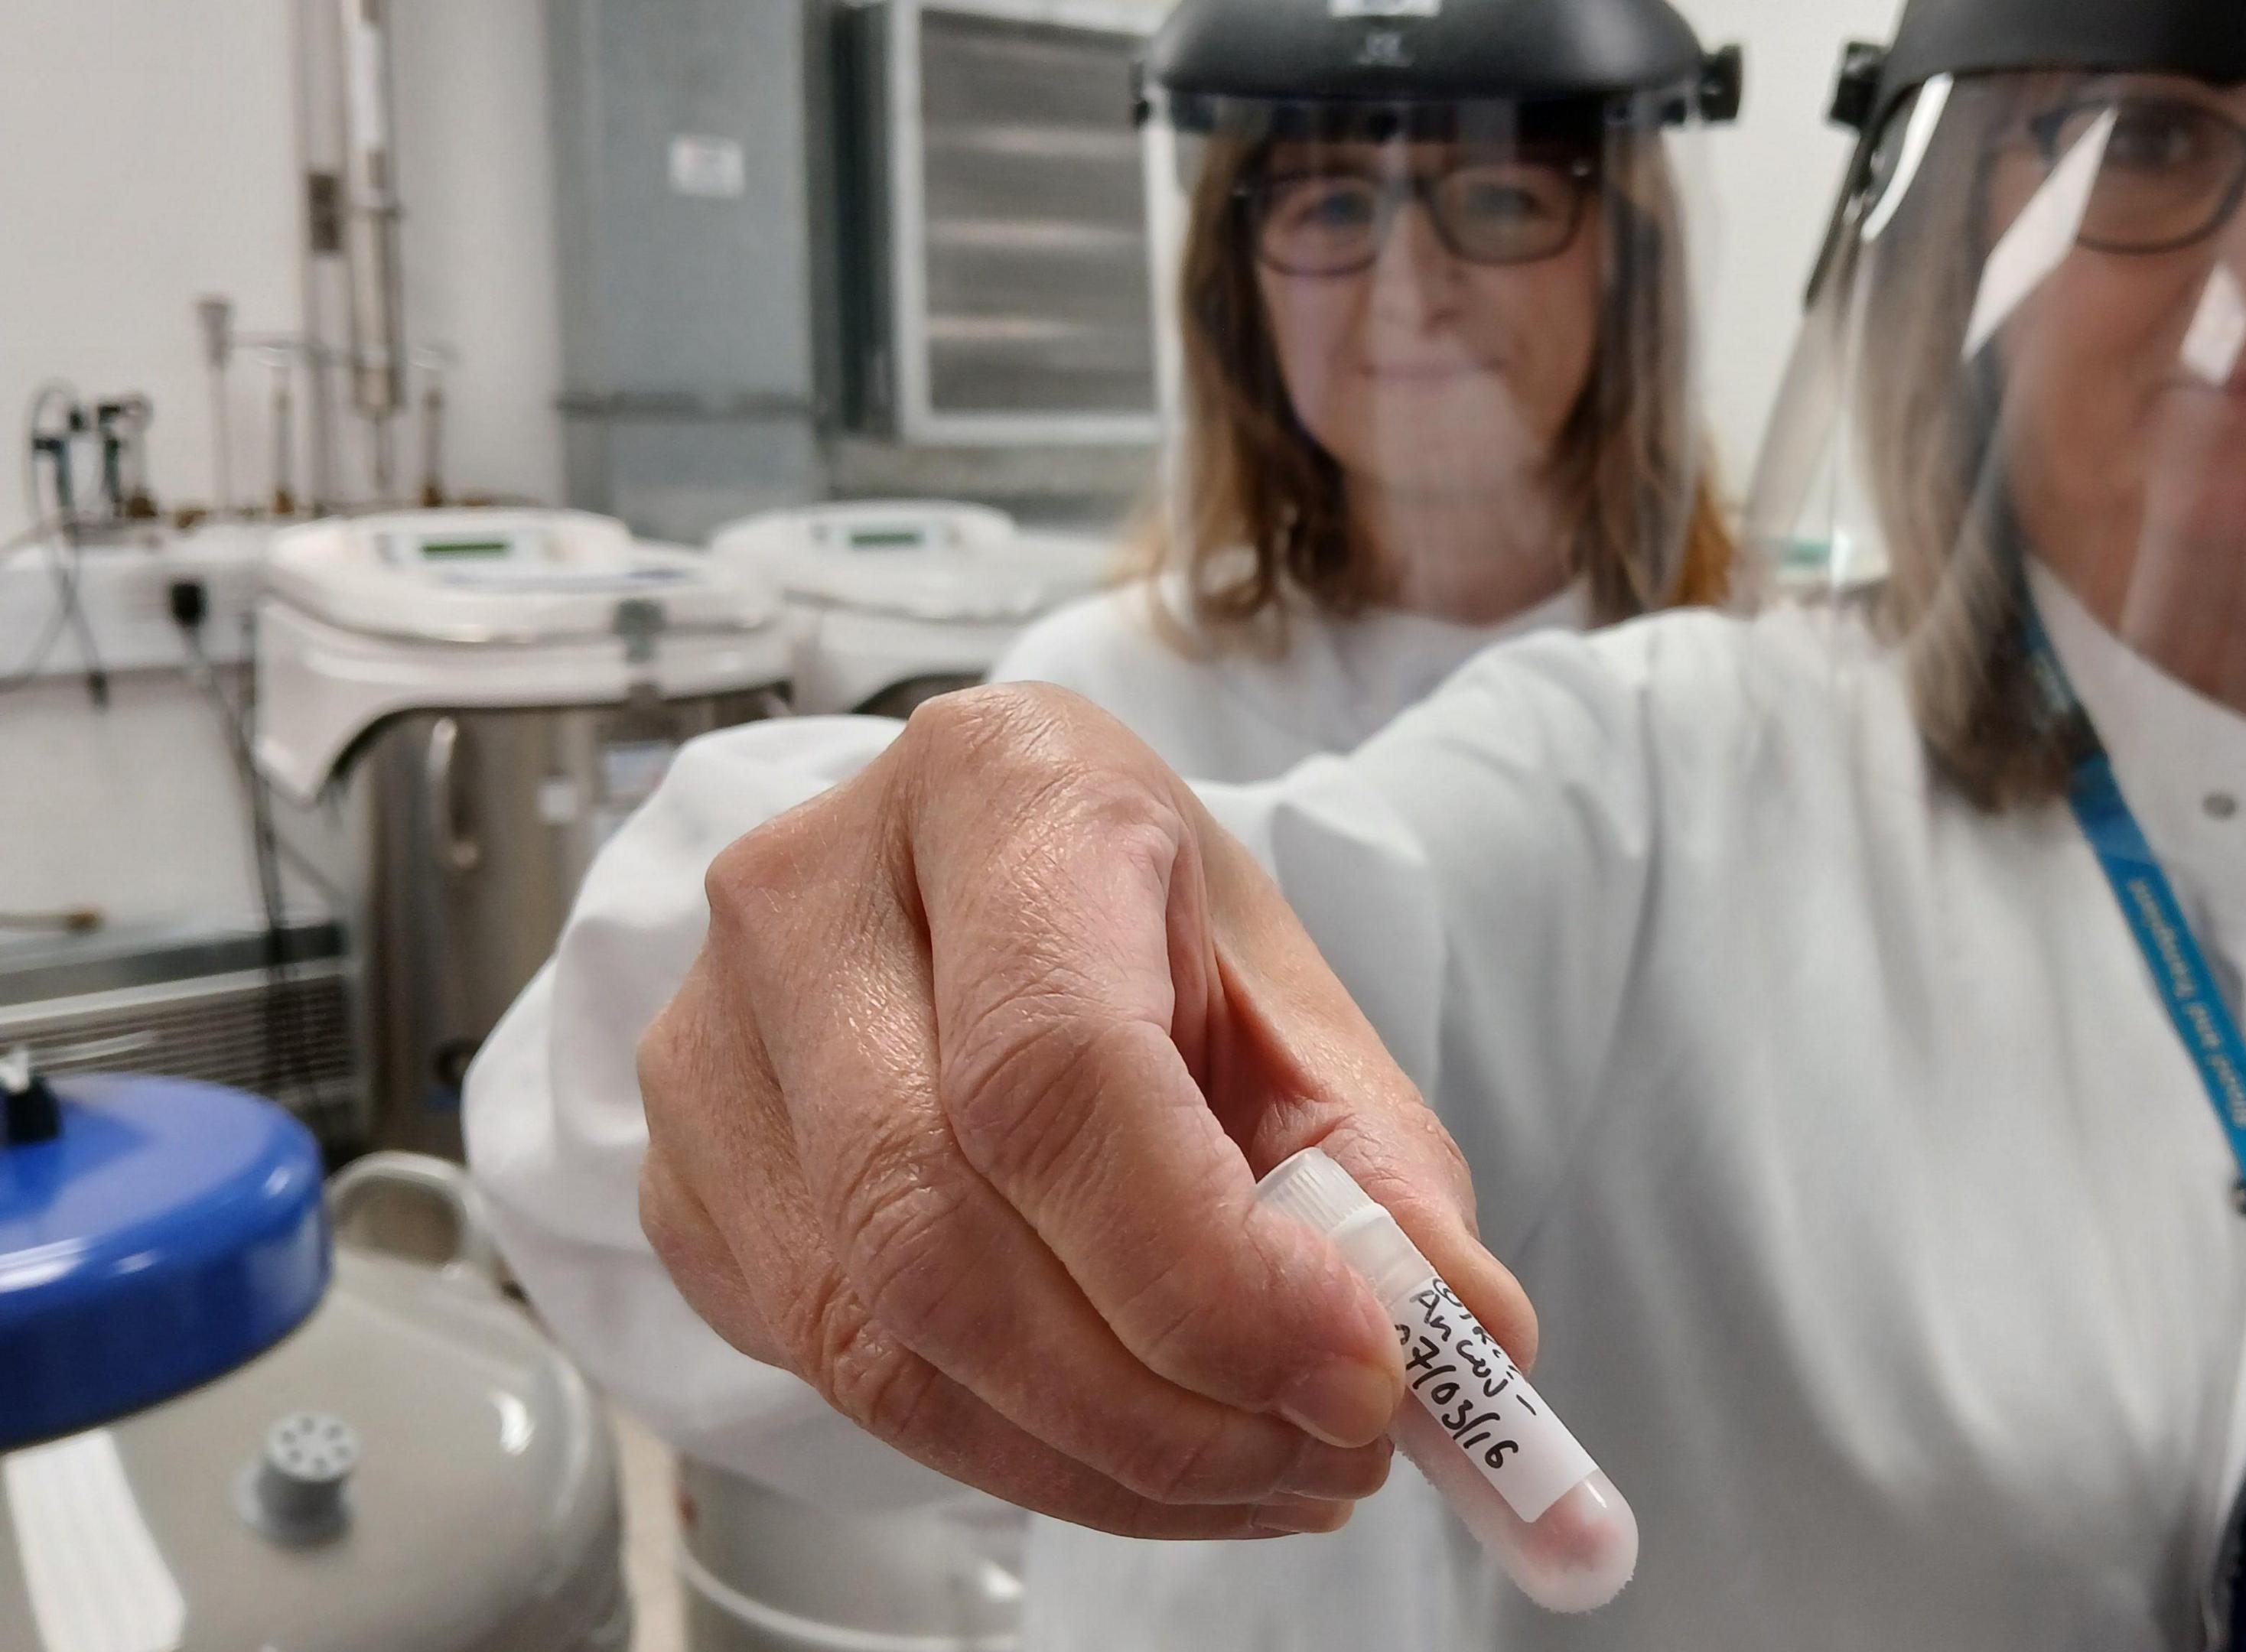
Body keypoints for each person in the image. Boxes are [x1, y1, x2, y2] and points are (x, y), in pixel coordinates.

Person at [566, 1, 2246, 1647]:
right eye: (2146, 136)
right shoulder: (1659, 774)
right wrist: (870, 925)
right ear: (1960, 229)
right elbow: (966, 994)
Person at [463, 1, 1743, 1647]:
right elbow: (651, 1175)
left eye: (1502, 200)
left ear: (1630, 261)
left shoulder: (1757, 715)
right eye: (1331, 205)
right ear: (1233, 277)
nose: (1412, 286)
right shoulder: (1092, 692)